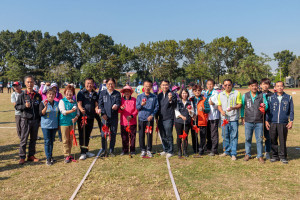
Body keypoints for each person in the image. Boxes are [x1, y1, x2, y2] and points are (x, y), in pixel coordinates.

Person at [15, 75, 42, 165]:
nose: (30, 83)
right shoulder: (22, 95)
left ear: (34, 83)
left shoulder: (37, 95)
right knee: (24, 139)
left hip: (35, 120)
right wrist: (24, 106)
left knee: (33, 139)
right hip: (25, 120)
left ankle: (31, 156)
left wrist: (40, 120)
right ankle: (22, 156)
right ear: (25, 83)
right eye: (28, 82)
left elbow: (39, 109)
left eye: (31, 82)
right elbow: (17, 106)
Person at [241, 79, 268, 164]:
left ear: (258, 86)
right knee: (248, 138)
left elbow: (266, 105)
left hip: (259, 121)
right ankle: (247, 154)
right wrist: (242, 117)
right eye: (252, 86)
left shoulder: (262, 95)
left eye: (255, 85)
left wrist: (264, 107)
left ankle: (260, 156)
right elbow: (242, 107)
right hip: (248, 120)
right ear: (249, 86)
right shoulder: (245, 96)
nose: (254, 87)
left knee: (259, 139)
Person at [266, 81, 294, 164]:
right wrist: (266, 120)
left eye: (281, 86)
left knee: (282, 140)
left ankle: (283, 156)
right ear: (275, 88)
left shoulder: (288, 97)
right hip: (273, 122)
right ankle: (275, 156)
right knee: (273, 139)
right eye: (277, 86)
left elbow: (291, 110)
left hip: (283, 122)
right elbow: (268, 110)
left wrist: (291, 121)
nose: (279, 88)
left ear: (283, 87)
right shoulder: (271, 98)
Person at [218, 79, 242, 161]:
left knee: (234, 136)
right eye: (225, 85)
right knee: (225, 135)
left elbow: (240, 104)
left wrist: (233, 107)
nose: (227, 86)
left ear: (232, 85)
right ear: (223, 86)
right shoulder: (220, 94)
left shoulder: (237, 93)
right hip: (224, 119)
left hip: (233, 118)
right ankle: (226, 151)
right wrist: (221, 111)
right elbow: (219, 105)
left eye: (229, 85)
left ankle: (233, 153)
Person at [98, 78, 121, 157]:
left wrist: (116, 106)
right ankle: (104, 150)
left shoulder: (117, 93)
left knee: (113, 133)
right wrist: (103, 114)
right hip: (104, 117)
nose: (110, 85)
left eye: (112, 84)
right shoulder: (102, 93)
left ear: (114, 85)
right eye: (109, 84)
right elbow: (100, 104)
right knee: (103, 134)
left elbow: (118, 102)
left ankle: (111, 150)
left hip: (114, 117)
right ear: (106, 84)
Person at [77, 77, 98, 160]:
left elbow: (96, 104)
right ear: (85, 84)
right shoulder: (81, 93)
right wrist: (81, 109)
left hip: (91, 117)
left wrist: (97, 108)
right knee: (82, 135)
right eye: (87, 83)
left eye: (91, 83)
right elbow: (79, 104)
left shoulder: (95, 94)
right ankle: (82, 152)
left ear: (93, 84)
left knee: (88, 134)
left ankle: (86, 151)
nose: (89, 85)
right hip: (83, 118)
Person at [136, 80, 159, 158]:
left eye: (149, 86)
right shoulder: (139, 96)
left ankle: (149, 149)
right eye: (146, 86)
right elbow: (137, 107)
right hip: (141, 118)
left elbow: (156, 107)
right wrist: (141, 105)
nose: (147, 87)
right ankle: (143, 149)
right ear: (143, 86)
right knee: (141, 134)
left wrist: (152, 115)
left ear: (151, 87)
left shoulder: (154, 97)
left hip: (150, 119)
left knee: (149, 134)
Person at [59, 85, 79, 163]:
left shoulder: (74, 102)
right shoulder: (62, 101)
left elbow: (78, 112)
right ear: (65, 93)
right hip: (64, 123)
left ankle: (70, 153)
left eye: (71, 92)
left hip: (72, 123)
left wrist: (76, 118)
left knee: (71, 139)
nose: (69, 94)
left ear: (73, 94)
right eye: (67, 92)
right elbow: (63, 112)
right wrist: (71, 111)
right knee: (65, 140)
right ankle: (66, 155)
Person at [157, 80, 177, 158]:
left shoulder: (172, 94)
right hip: (160, 118)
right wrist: (156, 117)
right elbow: (157, 107)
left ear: (169, 86)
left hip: (169, 118)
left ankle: (170, 151)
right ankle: (165, 149)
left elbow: (174, 105)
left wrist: (170, 99)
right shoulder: (159, 95)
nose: (165, 86)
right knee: (163, 135)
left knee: (168, 135)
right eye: (163, 85)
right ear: (160, 86)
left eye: (166, 85)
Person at [39, 89, 60, 166]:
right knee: (47, 141)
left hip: (54, 125)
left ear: (54, 95)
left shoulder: (57, 103)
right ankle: (48, 158)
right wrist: (45, 107)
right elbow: (41, 113)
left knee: (51, 141)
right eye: (49, 94)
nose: (51, 96)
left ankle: (51, 156)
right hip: (46, 126)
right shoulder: (43, 102)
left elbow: (59, 113)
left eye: (52, 94)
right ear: (47, 95)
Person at [190, 84, 210, 156]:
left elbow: (208, 109)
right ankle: (195, 149)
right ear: (193, 91)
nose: (197, 92)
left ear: (201, 91)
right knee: (194, 135)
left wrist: (204, 109)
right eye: (195, 91)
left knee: (202, 136)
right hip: (194, 120)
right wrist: (191, 115)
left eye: (199, 90)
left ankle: (201, 150)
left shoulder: (204, 99)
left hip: (202, 120)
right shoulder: (191, 99)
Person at [174, 88, 194, 157]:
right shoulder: (178, 102)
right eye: (183, 93)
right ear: (181, 94)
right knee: (179, 136)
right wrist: (182, 116)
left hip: (187, 121)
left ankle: (185, 151)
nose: (184, 95)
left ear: (187, 94)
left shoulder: (190, 102)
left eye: (185, 93)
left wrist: (190, 112)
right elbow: (176, 111)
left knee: (185, 136)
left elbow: (192, 113)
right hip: (179, 121)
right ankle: (179, 150)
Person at [119, 85, 138, 155]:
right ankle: (125, 150)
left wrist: (132, 116)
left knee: (132, 136)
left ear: (130, 92)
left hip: (132, 122)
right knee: (124, 136)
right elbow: (118, 110)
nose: (127, 93)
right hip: (123, 122)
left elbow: (137, 110)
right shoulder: (121, 100)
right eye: (125, 92)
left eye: (128, 91)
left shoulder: (134, 100)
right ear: (123, 93)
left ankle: (132, 150)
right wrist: (121, 109)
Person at [205, 79, 220, 156]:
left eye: (211, 84)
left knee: (213, 133)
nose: (209, 85)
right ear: (206, 85)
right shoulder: (205, 93)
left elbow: (219, 105)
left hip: (214, 116)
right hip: (206, 116)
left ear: (213, 85)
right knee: (208, 133)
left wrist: (213, 103)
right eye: (208, 84)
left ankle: (214, 150)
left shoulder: (216, 93)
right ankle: (209, 147)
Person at [260, 78, 273, 160]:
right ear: (260, 85)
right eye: (263, 84)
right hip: (259, 118)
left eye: (267, 84)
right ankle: (259, 152)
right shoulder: (258, 94)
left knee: (268, 136)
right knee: (260, 136)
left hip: (268, 118)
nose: (265, 86)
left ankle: (267, 152)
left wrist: (267, 119)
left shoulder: (272, 95)